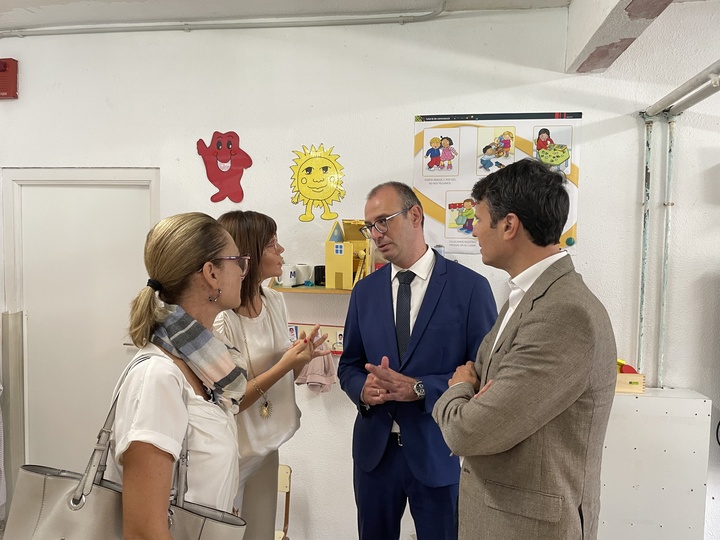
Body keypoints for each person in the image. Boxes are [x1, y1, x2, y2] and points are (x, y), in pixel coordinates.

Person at [432, 159, 617, 540]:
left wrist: (460, 389)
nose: (475, 230)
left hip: (526, 527)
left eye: (479, 219)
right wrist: (477, 393)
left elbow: (468, 431)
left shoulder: (565, 313)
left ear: (509, 225)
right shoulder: (527, 295)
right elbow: (483, 378)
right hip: (499, 515)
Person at [109, 212, 320, 539]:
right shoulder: (157, 377)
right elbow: (144, 531)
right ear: (211, 273)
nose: (242, 270)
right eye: (237, 261)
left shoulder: (210, 365)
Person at [338, 182, 497, 540]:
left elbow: (486, 375)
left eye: (383, 222)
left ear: (414, 216)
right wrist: (363, 390)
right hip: (374, 457)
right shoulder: (365, 291)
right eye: (369, 227)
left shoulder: (470, 288)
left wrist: (422, 389)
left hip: (439, 451)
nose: (375, 235)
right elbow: (348, 365)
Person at [214, 210, 327, 540]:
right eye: (273, 244)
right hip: (232, 450)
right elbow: (232, 400)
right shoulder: (223, 320)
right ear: (247, 255)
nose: (282, 251)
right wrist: (285, 364)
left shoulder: (275, 300)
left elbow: (287, 370)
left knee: (260, 533)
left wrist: (303, 358)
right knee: (220, 532)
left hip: (267, 441)